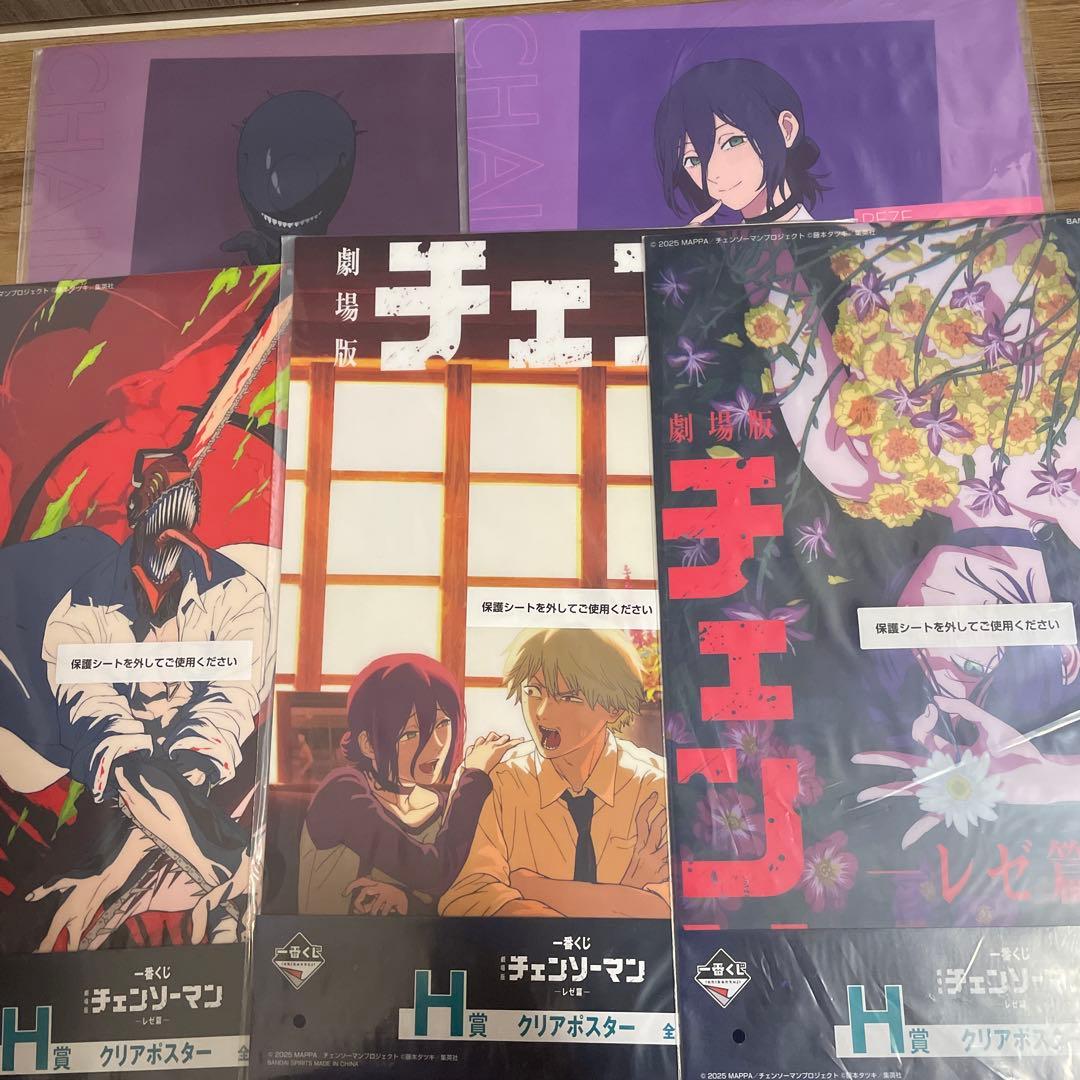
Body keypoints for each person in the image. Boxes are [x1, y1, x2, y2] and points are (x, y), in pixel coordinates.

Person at [438, 628, 670, 918]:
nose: (543, 712)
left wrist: (530, 887)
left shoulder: (655, 785)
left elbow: (670, 908)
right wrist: (622, 894)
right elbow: (466, 896)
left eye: (569, 697)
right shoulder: (500, 783)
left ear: (612, 707)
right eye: (533, 692)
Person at [298, 654, 520, 916]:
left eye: (443, 724)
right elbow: (432, 873)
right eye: (411, 733)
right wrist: (473, 777)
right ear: (368, 744)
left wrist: (406, 902)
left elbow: (457, 901)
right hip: (331, 939)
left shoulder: (441, 806)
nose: (436, 745)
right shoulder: (342, 791)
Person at [654, 58, 827, 227]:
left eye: (733, 141)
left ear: (786, 129)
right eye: (693, 160)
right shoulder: (724, 242)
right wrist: (688, 243)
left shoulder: (828, 241)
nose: (714, 174)